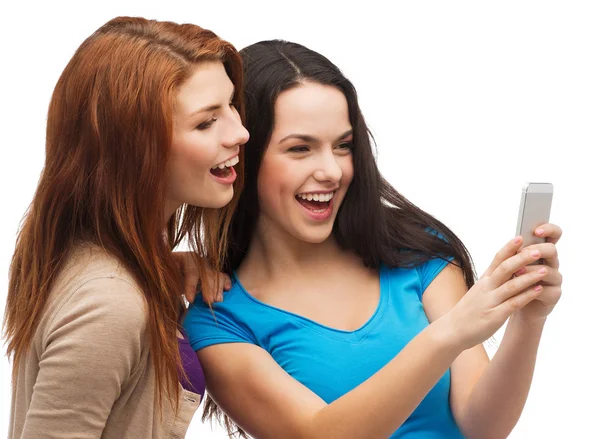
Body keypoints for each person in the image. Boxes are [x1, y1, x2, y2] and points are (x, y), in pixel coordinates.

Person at [183, 40, 563, 439]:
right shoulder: (221, 319)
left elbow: (482, 425)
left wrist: (528, 319)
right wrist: (448, 334)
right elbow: (320, 434)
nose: (331, 171)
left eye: (343, 146)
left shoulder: (412, 251)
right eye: (300, 148)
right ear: (243, 156)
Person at [3, 16, 248, 438]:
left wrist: (164, 266)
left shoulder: (112, 258)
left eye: (231, 107)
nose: (239, 132)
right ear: (135, 147)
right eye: (206, 122)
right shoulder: (110, 303)